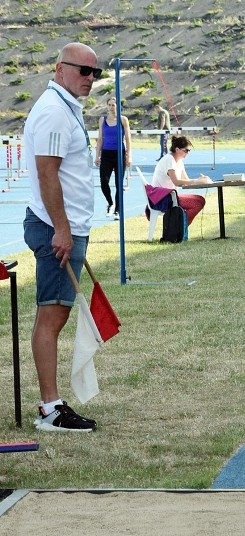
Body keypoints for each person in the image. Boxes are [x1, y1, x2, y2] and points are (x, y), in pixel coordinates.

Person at [22, 42, 102, 432]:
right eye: (83, 71)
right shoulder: (54, 112)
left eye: (95, 73)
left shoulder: (64, 107)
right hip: (56, 227)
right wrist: (63, 229)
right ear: (60, 69)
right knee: (52, 315)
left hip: (64, 225)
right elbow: (47, 174)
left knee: (57, 313)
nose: (90, 79)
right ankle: (50, 408)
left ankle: (51, 404)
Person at [151, 135, 209, 224]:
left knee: (200, 200)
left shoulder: (179, 161)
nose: (188, 153)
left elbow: (186, 180)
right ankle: (178, 226)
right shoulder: (169, 159)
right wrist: (196, 181)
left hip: (171, 196)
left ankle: (179, 227)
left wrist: (201, 180)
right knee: (197, 203)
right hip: (163, 199)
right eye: (186, 150)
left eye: (189, 150)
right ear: (177, 149)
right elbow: (177, 182)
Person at [95, 97, 132, 219]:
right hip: (106, 153)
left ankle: (118, 210)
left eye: (114, 105)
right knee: (103, 181)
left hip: (119, 153)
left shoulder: (123, 119)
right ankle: (110, 203)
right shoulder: (102, 120)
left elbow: (128, 139)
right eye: (109, 105)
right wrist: (97, 155)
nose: (111, 107)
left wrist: (129, 156)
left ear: (118, 106)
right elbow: (100, 139)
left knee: (118, 184)